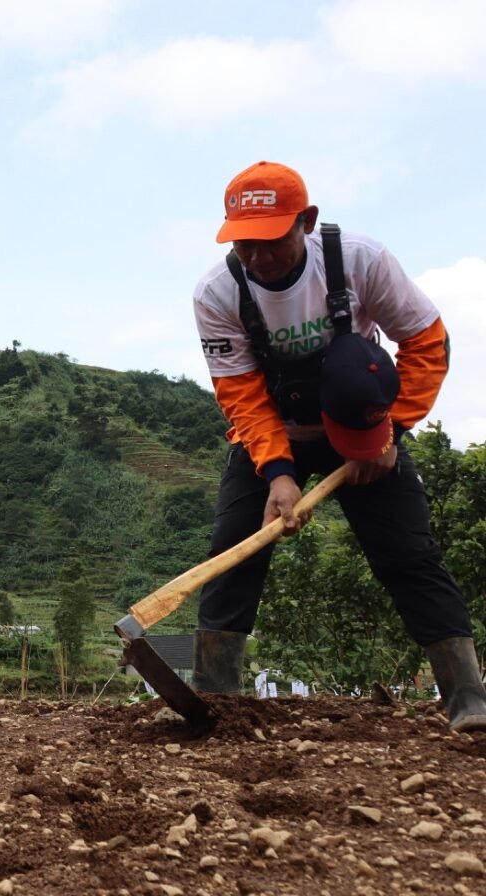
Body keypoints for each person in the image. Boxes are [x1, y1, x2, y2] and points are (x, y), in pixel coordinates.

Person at [190, 160, 486, 732]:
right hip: (277, 434)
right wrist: (277, 472)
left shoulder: (359, 261)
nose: (258, 257)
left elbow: (427, 342)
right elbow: (242, 394)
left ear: (307, 220)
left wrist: (391, 432)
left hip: (364, 430)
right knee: (234, 553)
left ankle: (468, 698)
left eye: (271, 241)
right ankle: (215, 700)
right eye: (244, 244)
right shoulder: (218, 291)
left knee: (409, 556)